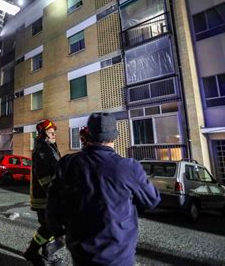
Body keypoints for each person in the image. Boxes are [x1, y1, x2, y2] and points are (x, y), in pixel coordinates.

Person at [47, 112, 161, 266]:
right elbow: (152, 200)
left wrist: (59, 232)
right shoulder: (128, 167)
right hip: (118, 254)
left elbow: (52, 203)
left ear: (89, 134)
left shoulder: (67, 163)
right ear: (114, 136)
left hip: (80, 251)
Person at [23, 119, 64, 266]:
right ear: (42, 133)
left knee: (47, 229)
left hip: (49, 198)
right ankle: (44, 253)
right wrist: (55, 194)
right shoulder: (42, 149)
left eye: (54, 131)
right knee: (56, 228)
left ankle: (34, 252)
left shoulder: (49, 147)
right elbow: (44, 177)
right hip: (45, 199)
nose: (54, 133)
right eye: (50, 131)